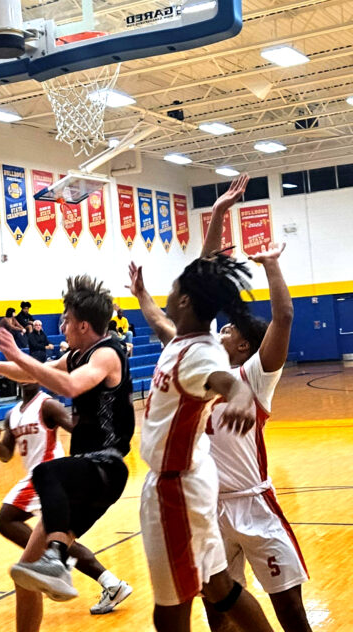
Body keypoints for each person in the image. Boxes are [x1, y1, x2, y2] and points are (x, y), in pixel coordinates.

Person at [0, 275, 135, 632]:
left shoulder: (107, 353)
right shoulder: (77, 353)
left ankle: (60, 563)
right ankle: (56, 564)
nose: (60, 324)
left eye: (65, 318)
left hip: (105, 464)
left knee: (45, 473)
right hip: (85, 473)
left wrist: (15, 353)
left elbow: (67, 385)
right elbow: (41, 371)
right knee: (25, 575)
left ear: (82, 324)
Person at [127, 249, 274, 632]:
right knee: (218, 587)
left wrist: (242, 399)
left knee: (170, 609)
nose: (168, 297)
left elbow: (226, 383)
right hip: (188, 480)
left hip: (175, 490)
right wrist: (140, 294)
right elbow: (161, 324)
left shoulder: (202, 356)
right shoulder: (186, 339)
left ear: (186, 300)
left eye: (172, 290)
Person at [195, 175, 309, 632]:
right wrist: (220, 213)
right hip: (209, 509)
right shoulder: (200, 372)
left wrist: (270, 266)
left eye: (228, 331)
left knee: (292, 614)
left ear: (243, 347)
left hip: (254, 506)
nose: (220, 331)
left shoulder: (253, 377)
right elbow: (202, 282)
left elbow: (283, 316)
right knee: (218, 615)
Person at [0, 381, 132, 617]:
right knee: (60, 538)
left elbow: (76, 428)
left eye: (28, 372)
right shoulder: (11, 415)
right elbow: (5, 455)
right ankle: (110, 583)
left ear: (36, 375)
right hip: (39, 478)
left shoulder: (48, 405)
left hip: (54, 474)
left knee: (6, 519)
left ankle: (49, 559)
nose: (24, 377)